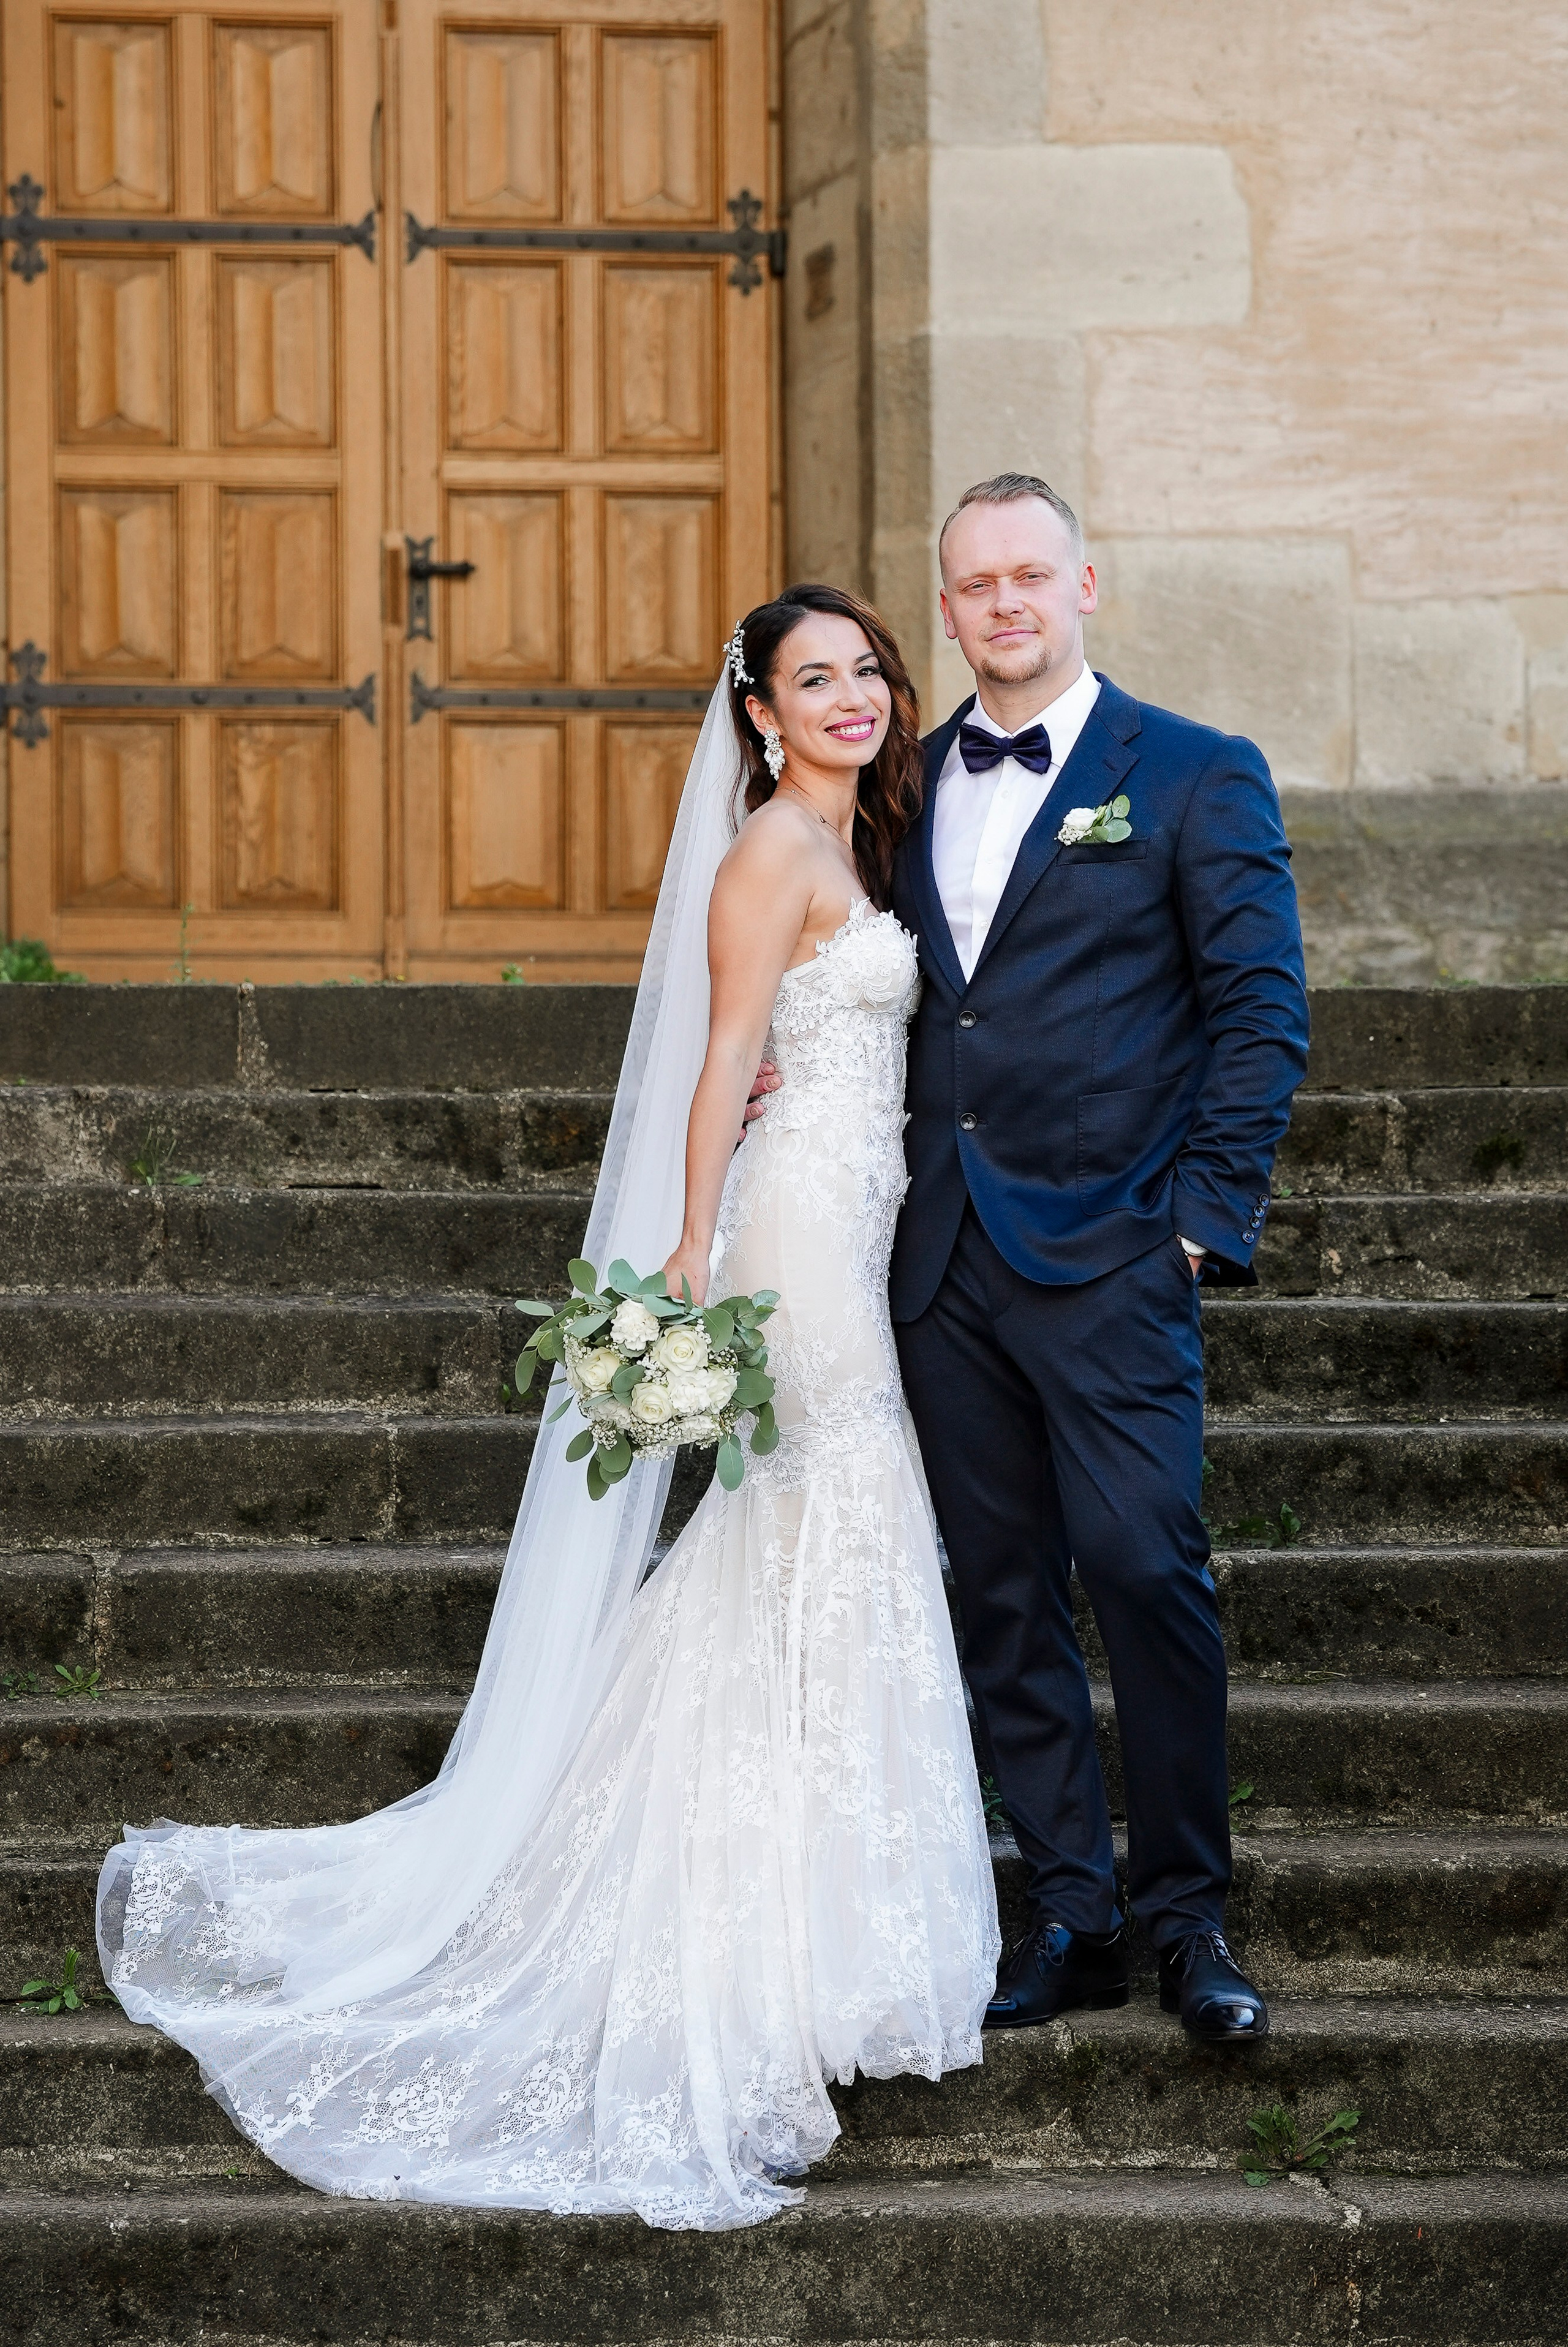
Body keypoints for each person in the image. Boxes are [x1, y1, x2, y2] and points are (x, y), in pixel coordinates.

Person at [96, 584, 998, 2231]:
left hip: (871, 1213)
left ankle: (812, 1929)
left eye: (870, 667)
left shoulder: (872, 839)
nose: (856, 695)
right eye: (818, 678)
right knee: (825, 1523)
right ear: (762, 715)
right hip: (797, 1236)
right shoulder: (767, 859)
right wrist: (687, 1258)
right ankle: (759, 1958)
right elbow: (723, 1059)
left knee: (798, 1554)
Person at [891, 473, 1309, 2042]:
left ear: (1086, 586)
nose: (1002, 604)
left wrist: (1199, 1221)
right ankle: (1068, 1907)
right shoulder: (904, 784)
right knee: (999, 1593)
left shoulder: (1194, 773)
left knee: (1144, 1567)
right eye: (973, 584)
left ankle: (1186, 1916)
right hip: (938, 1259)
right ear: (944, 609)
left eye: (1028, 576)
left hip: (1118, 1248)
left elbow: (1260, 1014)